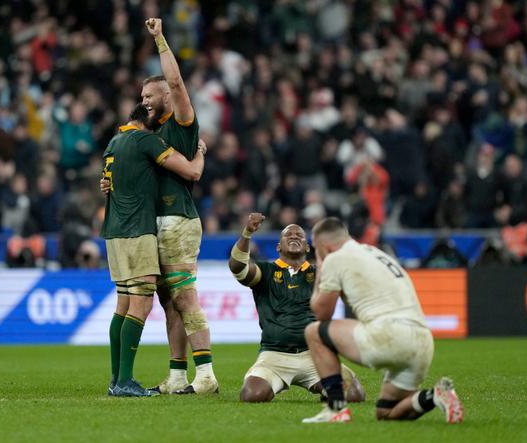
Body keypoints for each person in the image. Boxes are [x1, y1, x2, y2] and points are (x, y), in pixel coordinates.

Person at [302, 217, 464, 423]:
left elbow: (321, 314)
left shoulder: (335, 258)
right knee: (387, 413)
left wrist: (320, 270)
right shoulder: (374, 253)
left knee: (314, 332)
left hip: (389, 335)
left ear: (325, 246)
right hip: (423, 342)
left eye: (316, 249)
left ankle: (336, 409)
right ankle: (435, 396)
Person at [103, 104, 206, 397]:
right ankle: (124, 381)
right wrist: (200, 153)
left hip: (114, 230)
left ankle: (116, 379)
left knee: (123, 304)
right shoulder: (144, 140)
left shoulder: (114, 142)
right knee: (141, 304)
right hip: (137, 229)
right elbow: (191, 172)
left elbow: (109, 182)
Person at [142, 18, 217, 395]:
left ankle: (205, 375)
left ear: (168, 98)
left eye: (150, 96)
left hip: (178, 220)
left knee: (185, 296)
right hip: (159, 222)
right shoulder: (153, 136)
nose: (145, 102)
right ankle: (176, 376)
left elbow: (176, 83)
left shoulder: (183, 123)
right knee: (169, 301)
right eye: (142, 98)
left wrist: (159, 39)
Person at [229, 213, 365, 403]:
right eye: (288, 235)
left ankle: (323, 386)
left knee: (354, 395)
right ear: (278, 247)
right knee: (252, 395)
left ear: (308, 247)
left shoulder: (321, 272)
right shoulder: (266, 271)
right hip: (274, 354)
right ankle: (309, 385)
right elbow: (237, 267)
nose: (294, 236)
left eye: (300, 235)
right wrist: (247, 233)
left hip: (315, 353)